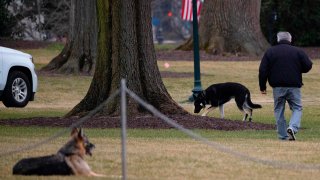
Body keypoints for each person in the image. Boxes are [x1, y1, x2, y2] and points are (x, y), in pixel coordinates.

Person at [259, 31, 313, 141]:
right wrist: (298, 69)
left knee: (279, 110)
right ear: (290, 39)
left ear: (278, 39)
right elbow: (308, 66)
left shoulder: (270, 52)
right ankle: (292, 127)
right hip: (294, 86)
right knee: (297, 108)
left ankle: (283, 136)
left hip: (277, 87)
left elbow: (263, 70)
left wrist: (262, 87)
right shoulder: (297, 51)